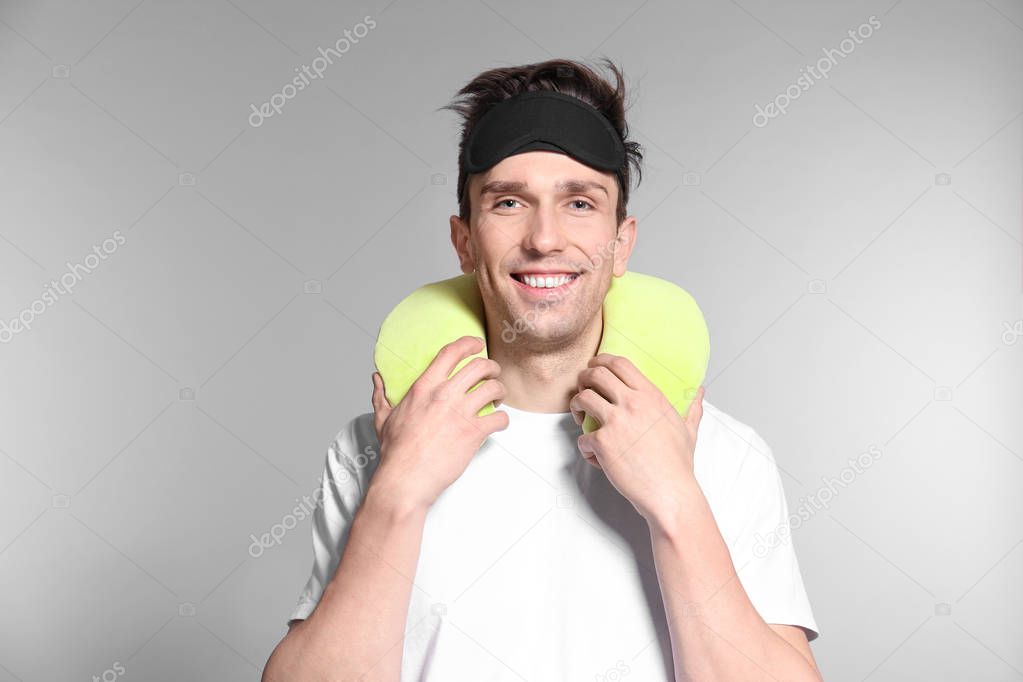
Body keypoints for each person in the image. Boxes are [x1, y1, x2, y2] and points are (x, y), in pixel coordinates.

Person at [262, 57, 821, 681]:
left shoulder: (725, 452)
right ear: (465, 241)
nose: (545, 239)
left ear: (621, 243)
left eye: (580, 203)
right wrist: (397, 491)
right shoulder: (374, 447)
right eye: (507, 202)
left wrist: (676, 500)